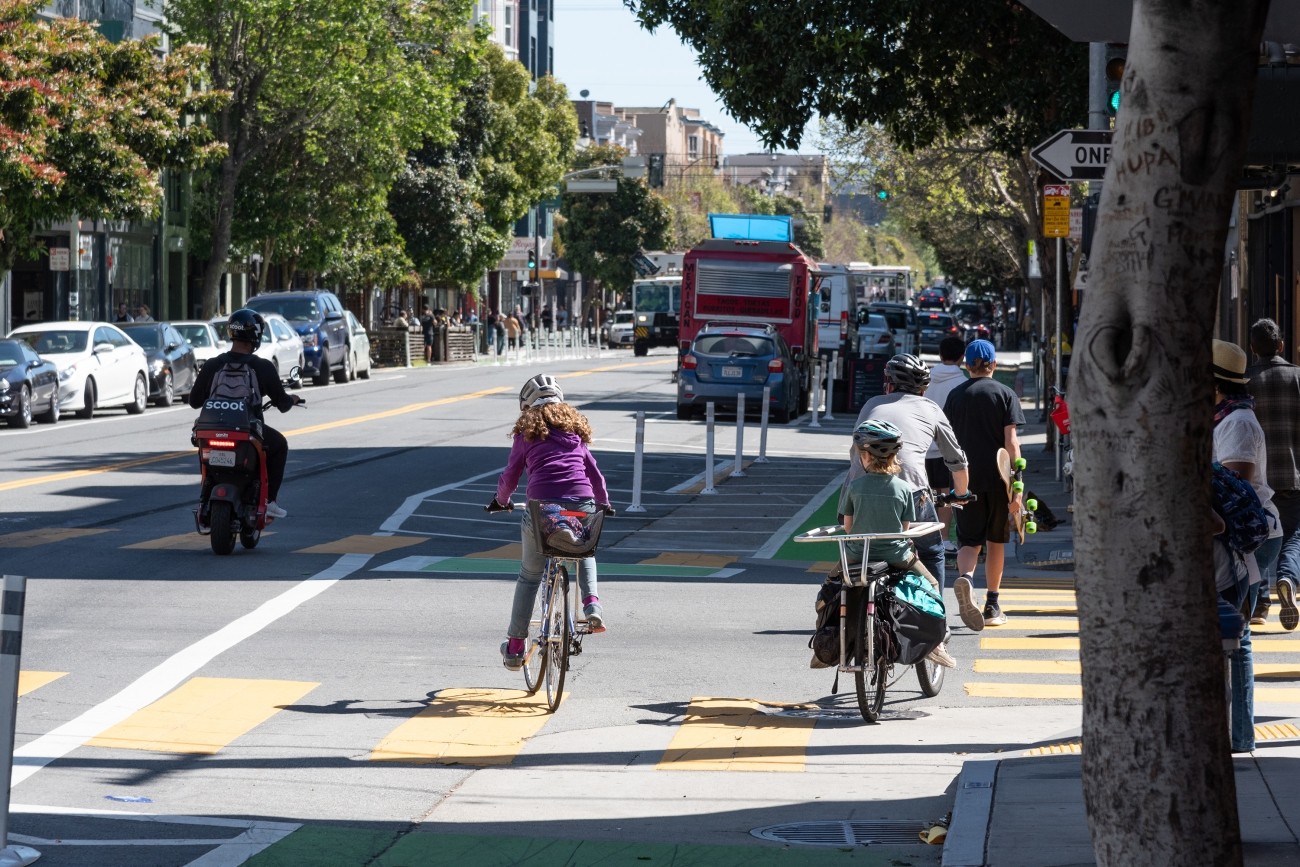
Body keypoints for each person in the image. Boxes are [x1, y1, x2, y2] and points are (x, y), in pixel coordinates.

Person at [843, 353, 980, 631]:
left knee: (856, 549)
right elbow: (956, 460)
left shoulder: (871, 404)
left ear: (889, 384)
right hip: (912, 491)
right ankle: (934, 624)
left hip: (857, 491)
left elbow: (854, 453)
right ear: (923, 389)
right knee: (932, 552)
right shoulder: (930, 409)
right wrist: (961, 493)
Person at [490, 375, 612, 670]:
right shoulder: (575, 433)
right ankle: (592, 603)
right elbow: (595, 475)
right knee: (585, 551)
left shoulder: (526, 435)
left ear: (528, 407)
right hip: (581, 504)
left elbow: (511, 475)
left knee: (529, 576)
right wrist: (604, 503)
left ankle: (516, 647)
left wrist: (501, 500)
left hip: (541, 508)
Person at [840, 419, 956, 668]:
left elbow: (848, 527)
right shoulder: (904, 489)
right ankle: (936, 645)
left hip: (857, 556)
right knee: (931, 583)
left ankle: (826, 644)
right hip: (897, 557)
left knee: (833, 587)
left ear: (865, 457)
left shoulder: (854, 486)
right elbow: (904, 530)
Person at [1213, 339, 1282, 753]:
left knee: (1236, 638)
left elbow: (1233, 482)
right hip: (1231, 537)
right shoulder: (1224, 416)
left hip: (1246, 537)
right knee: (1229, 635)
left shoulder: (1237, 422)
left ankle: (1240, 735)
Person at [188, 309, 303, 519]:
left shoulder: (213, 365)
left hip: (212, 430)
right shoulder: (262, 367)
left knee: (203, 448)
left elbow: (194, 402)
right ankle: (269, 501)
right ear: (256, 335)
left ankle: (205, 496)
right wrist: (292, 399)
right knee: (279, 445)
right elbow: (283, 404)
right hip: (246, 431)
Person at [943, 339, 1026, 627]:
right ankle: (992, 606)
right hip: (998, 480)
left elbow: (949, 442)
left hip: (965, 480)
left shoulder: (955, 396)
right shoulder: (1005, 394)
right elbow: (1011, 443)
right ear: (994, 365)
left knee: (968, 541)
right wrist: (1017, 483)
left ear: (967, 365)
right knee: (996, 542)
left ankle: (965, 579)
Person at [1247, 318, 1300, 630]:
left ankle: (1259, 603)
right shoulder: (1297, 377)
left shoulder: (1245, 381)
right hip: (1293, 473)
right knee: (1293, 534)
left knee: (1256, 538)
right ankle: (1287, 577)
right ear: (1281, 346)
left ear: (1253, 350)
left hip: (1256, 477)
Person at [923, 337, 968, 555]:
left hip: (922, 445)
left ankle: (921, 536)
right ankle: (943, 538)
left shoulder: (925, 378)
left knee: (923, 494)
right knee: (946, 495)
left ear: (940, 355)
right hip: (947, 447)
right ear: (962, 357)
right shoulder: (962, 383)